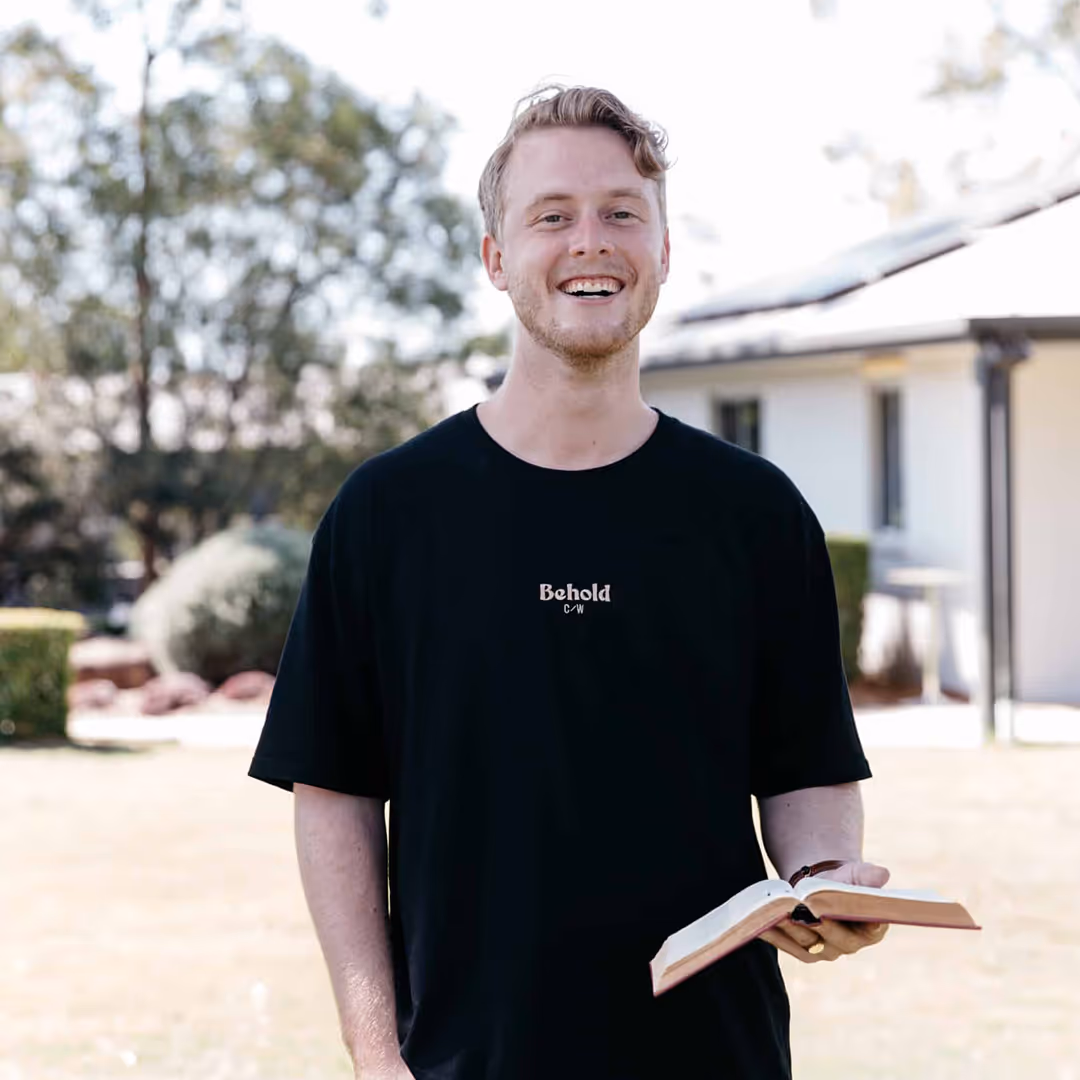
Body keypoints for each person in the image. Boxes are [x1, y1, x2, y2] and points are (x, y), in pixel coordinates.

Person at [249, 85, 891, 1080]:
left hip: (714, 1057)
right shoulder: (387, 512)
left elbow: (805, 766)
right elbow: (332, 794)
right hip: (467, 1059)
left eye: (621, 213)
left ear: (664, 253)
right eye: (552, 216)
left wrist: (820, 884)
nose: (589, 240)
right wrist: (377, 1057)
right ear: (497, 258)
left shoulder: (756, 514)